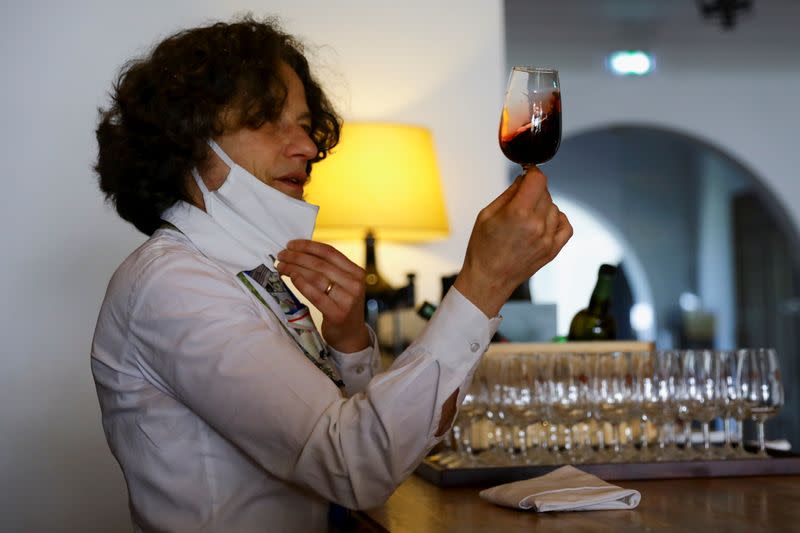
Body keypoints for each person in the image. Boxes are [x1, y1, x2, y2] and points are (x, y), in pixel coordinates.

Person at [91, 15, 572, 533]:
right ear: (185, 139)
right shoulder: (174, 284)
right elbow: (352, 466)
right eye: (268, 120)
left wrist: (347, 344)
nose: (306, 147)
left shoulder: (248, 271)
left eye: (302, 123)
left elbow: (374, 437)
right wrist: (483, 285)